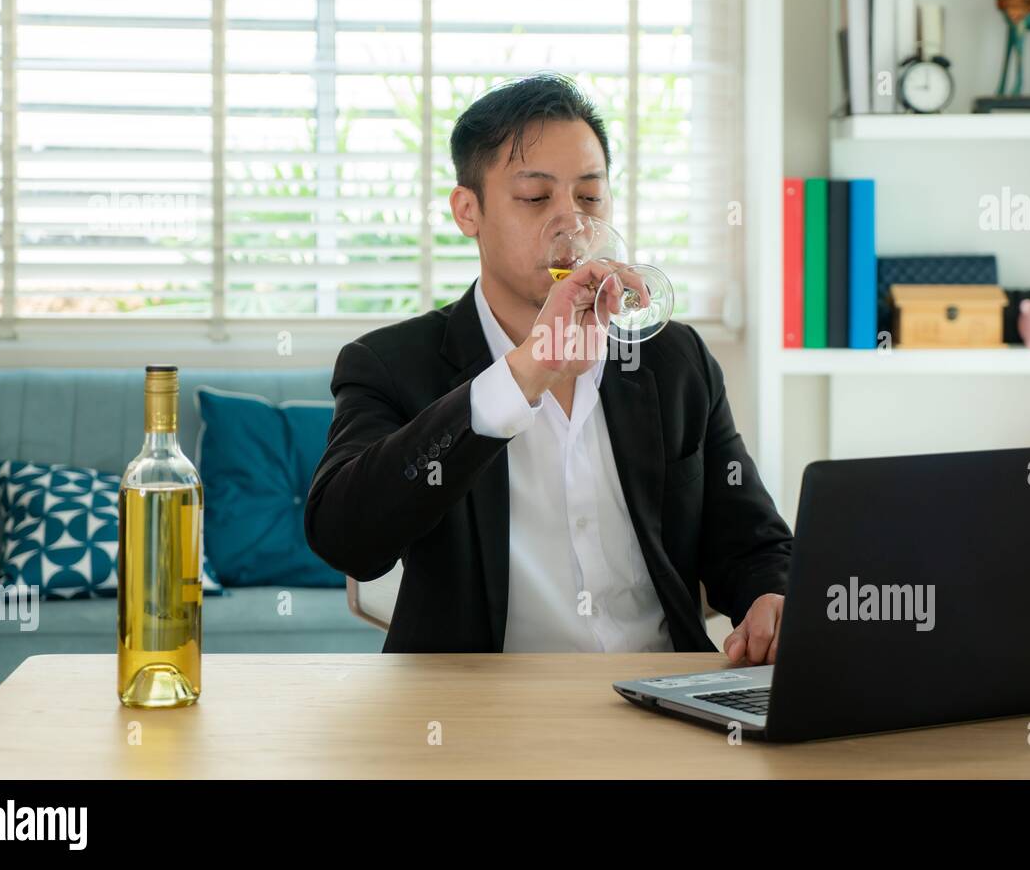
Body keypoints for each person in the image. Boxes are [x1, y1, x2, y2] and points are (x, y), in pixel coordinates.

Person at [305, 73, 791, 665]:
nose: (571, 224)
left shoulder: (674, 358)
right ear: (468, 211)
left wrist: (772, 596)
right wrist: (525, 372)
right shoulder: (390, 364)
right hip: (474, 715)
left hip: (661, 698)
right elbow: (346, 537)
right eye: (536, 198)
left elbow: (753, 541)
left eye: (589, 197)